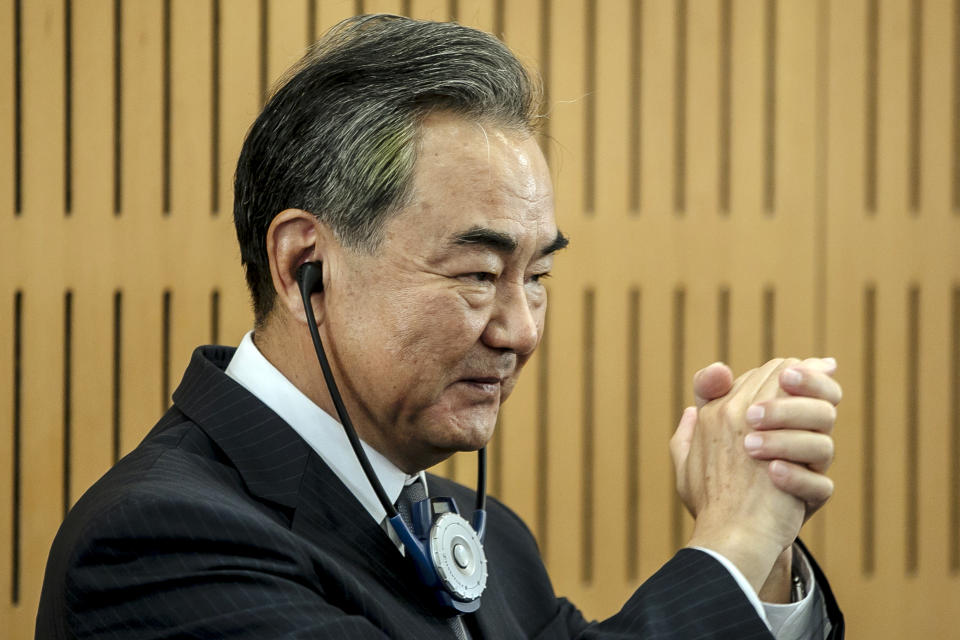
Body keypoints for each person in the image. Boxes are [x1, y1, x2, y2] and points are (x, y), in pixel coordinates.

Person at [37, 15, 843, 639]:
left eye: (539, 277)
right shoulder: (160, 542)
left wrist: (766, 548)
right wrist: (728, 544)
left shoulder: (479, 533)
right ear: (302, 267)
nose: (521, 330)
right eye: (479, 276)